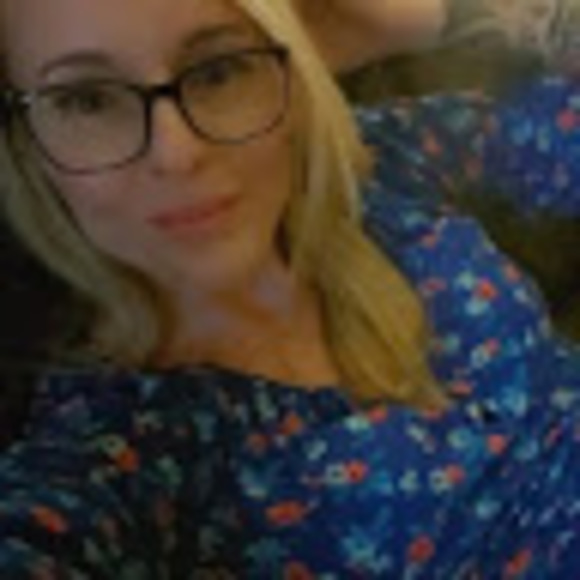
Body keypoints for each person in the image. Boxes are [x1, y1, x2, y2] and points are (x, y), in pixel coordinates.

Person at [0, 0, 578, 577]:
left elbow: (554, 124)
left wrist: (433, 18)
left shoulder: (374, 170)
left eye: (217, 71)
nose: (177, 153)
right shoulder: (118, 446)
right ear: (24, 147)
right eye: (88, 100)